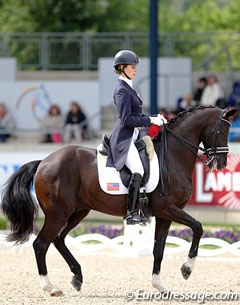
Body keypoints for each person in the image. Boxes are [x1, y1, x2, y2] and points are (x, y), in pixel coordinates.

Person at [106, 50, 167, 225]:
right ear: (121, 68)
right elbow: (126, 119)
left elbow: (136, 115)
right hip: (123, 140)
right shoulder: (122, 90)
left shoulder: (129, 87)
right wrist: (150, 120)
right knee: (138, 170)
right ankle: (131, 212)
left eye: (135, 67)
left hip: (133, 137)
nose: (135, 70)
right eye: (132, 67)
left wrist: (154, 117)